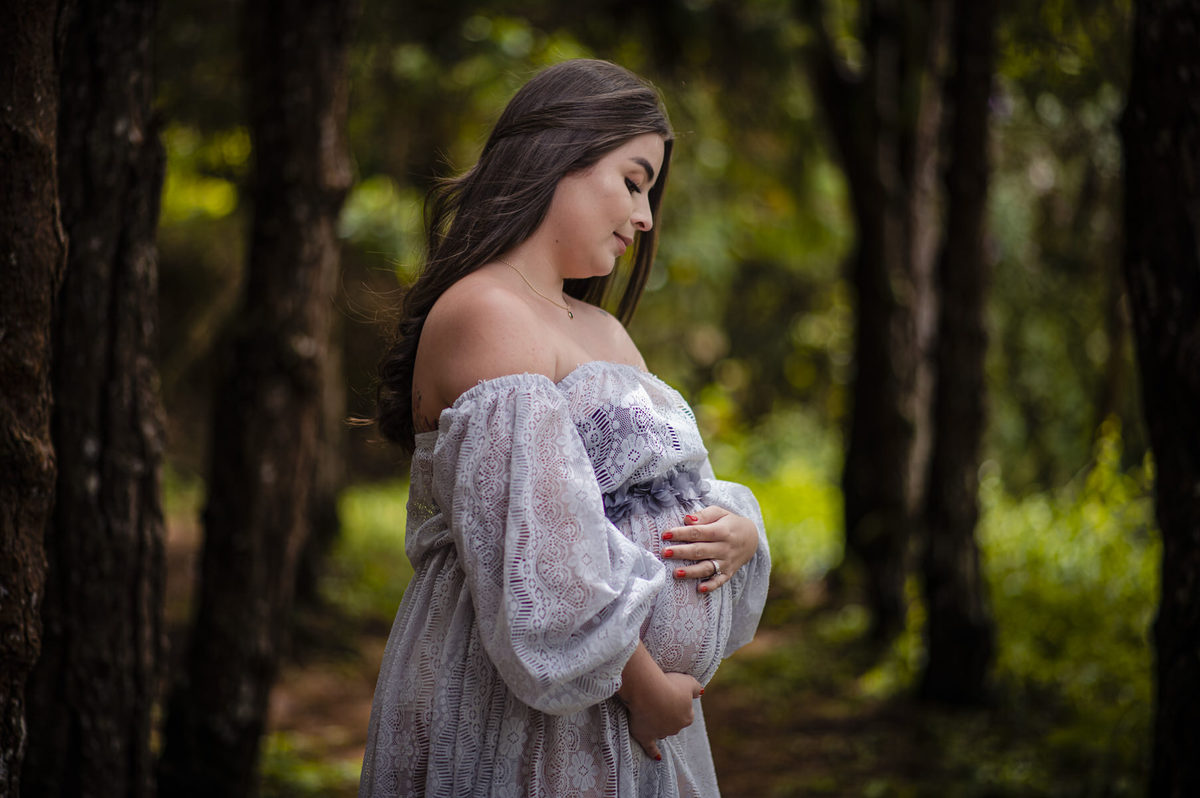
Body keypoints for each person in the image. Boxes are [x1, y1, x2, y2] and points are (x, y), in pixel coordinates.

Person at [360, 58, 770, 798]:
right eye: (634, 181)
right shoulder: (486, 312)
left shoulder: (604, 328)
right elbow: (541, 554)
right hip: (527, 715)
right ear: (560, 154)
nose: (645, 219)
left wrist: (738, 530)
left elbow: (679, 482)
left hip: (622, 713)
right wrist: (643, 687)